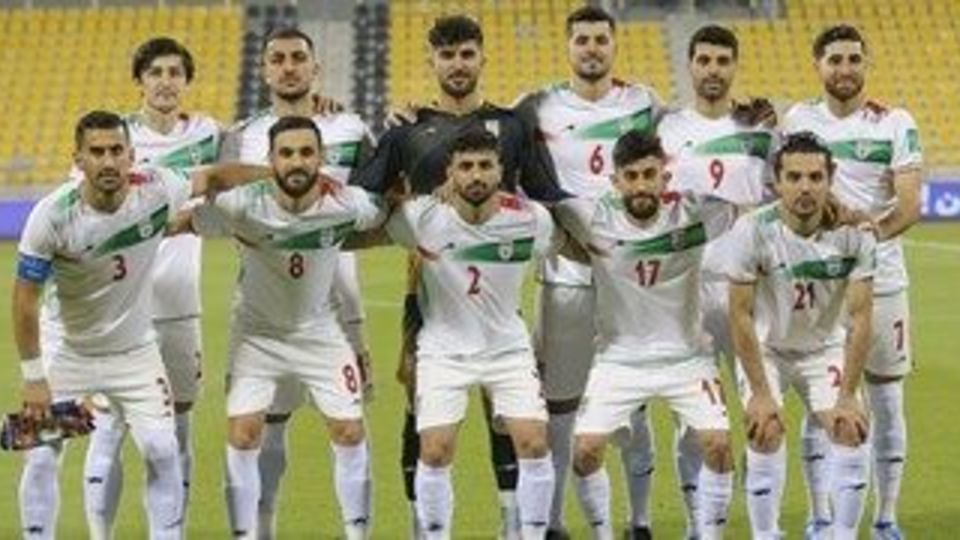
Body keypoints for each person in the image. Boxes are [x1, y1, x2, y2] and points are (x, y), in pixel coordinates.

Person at [352, 14, 567, 538]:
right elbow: (366, 196)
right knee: (420, 407)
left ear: (482, 57)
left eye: (466, 53)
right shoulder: (406, 130)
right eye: (447, 55)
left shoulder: (512, 125)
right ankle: (422, 524)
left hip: (496, 283)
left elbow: (547, 196)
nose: (457, 64)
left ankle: (513, 521)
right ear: (432, 61)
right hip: (427, 283)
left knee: (506, 409)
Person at [14, 110, 268, 539]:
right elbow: (24, 300)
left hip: (134, 353)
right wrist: (34, 377)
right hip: (67, 351)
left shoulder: (156, 187)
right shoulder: (51, 215)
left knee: (161, 449)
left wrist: (278, 175)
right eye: (97, 152)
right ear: (78, 159)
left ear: (131, 155)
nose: (108, 161)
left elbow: (216, 176)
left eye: (117, 150)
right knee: (40, 452)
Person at [178, 116, 382, 540]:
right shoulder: (241, 205)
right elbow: (182, 223)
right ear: (270, 160)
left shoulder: (347, 203)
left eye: (306, 153)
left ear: (321, 158)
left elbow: (390, 215)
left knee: (350, 431)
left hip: (320, 332)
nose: (297, 162)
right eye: (286, 153)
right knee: (243, 434)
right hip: (257, 336)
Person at [512, 8, 664, 537]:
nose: (592, 48)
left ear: (614, 45)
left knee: (634, 408)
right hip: (566, 279)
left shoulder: (645, 103)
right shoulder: (536, 105)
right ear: (568, 46)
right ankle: (554, 523)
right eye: (582, 40)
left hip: (630, 282)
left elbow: (685, 146)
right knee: (559, 408)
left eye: (601, 39)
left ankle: (639, 522)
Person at [219, 27, 377, 537]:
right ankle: (262, 528)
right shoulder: (242, 135)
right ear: (264, 70)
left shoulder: (350, 127)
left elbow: (377, 199)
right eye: (278, 59)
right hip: (269, 299)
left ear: (316, 68)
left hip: (340, 305)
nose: (289, 67)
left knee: (349, 426)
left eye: (298, 58)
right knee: (267, 427)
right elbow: (222, 199)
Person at [555, 131, 736, 540]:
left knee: (719, 446)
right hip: (618, 359)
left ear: (664, 177)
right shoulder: (589, 215)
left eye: (649, 175)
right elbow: (542, 207)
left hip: (688, 357)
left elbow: (747, 201)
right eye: (631, 176)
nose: (641, 185)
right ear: (615, 181)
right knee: (584, 452)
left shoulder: (695, 213)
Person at [782, 25, 922, 539]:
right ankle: (820, 516)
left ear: (866, 63)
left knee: (886, 400)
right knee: (822, 401)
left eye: (853, 59)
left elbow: (910, 205)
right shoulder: (798, 120)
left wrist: (868, 234)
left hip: (882, 282)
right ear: (818, 64)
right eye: (835, 59)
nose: (845, 69)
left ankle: (887, 517)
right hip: (818, 285)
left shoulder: (894, 122)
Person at [78, 37, 222, 537]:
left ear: (187, 81)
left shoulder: (208, 133)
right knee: (110, 425)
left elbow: (261, 147)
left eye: (174, 72)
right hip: (120, 309)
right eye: (155, 72)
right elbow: (83, 211)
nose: (165, 81)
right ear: (139, 80)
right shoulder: (113, 140)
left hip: (180, 305)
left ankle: (170, 531)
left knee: (177, 425)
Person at [385, 129, 556, 540]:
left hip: (507, 348)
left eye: (484, 165)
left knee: (534, 443)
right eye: (465, 166)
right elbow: (376, 219)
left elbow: (562, 243)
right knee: (434, 450)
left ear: (501, 170)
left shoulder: (531, 219)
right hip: (443, 350)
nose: (475, 175)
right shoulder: (421, 217)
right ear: (450, 172)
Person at [655, 24, 776, 537]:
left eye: (722, 61)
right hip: (686, 291)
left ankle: (764, 526)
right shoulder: (665, 130)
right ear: (690, 64)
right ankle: (698, 526)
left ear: (734, 66)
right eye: (704, 60)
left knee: (761, 409)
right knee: (693, 420)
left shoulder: (761, 132)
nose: (712, 70)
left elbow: (783, 196)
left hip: (748, 289)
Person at [727, 132, 875, 540]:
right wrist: (760, 393)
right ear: (777, 182)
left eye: (815, 177)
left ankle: (842, 534)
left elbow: (861, 317)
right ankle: (765, 534)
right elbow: (739, 314)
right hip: (768, 350)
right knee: (765, 428)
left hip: (823, 349)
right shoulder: (751, 229)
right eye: (794, 177)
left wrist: (848, 394)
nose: (805, 187)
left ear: (830, 179)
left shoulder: (856, 233)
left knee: (851, 428)